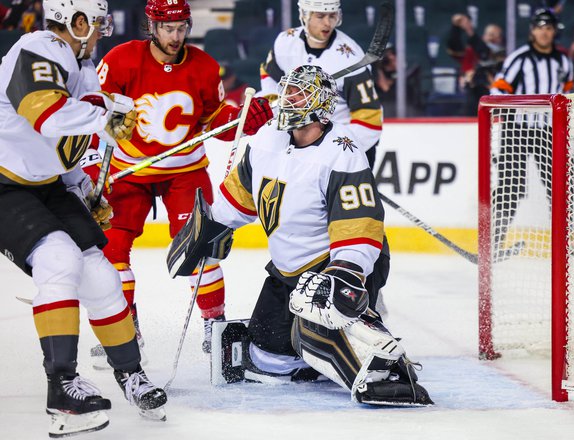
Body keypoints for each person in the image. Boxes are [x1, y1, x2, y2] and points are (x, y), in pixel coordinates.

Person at [168, 65, 433, 406]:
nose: (288, 100)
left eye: (299, 94)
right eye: (288, 92)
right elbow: (239, 201)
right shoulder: (266, 139)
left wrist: (345, 275)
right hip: (287, 271)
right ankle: (318, 355)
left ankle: (378, 361)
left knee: (316, 313)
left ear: (321, 107)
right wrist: (210, 227)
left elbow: (361, 227)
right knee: (266, 363)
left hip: (338, 265)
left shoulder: (343, 152)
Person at [0, 0, 167, 436]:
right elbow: (47, 114)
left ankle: (130, 374)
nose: (100, 32)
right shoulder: (35, 49)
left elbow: (66, 145)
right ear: (76, 22)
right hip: (3, 183)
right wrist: (105, 116)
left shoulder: (83, 64)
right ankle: (62, 391)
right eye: (96, 23)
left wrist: (83, 188)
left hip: (48, 185)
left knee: (100, 275)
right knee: (59, 262)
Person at [85, 0, 273, 364]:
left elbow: (214, 118)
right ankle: (126, 330)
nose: (176, 36)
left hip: (185, 170)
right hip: (129, 170)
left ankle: (214, 326)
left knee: (201, 247)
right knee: (112, 252)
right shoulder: (122, 59)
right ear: (152, 26)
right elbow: (97, 114)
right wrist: (95, 171)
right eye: (168, 29)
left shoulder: (203, 66)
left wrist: (242, 121)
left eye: (182, 28)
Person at [489, 8, 574, 258]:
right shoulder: (520, 58)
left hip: (549, 131)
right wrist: (518, 106)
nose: (544, 32)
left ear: (554, 31)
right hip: (517, 131)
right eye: (540, 27)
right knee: (510, 187)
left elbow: (567, 93)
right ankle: (495, 242)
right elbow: (498, 90)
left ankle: (564, 244)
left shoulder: (563, 61)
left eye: (549, 28)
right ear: (532, 30)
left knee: (559, 187)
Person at [259, 0, 383, 168]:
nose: (327, 23)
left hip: (342, 145)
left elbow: (370, 119)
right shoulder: (285, 42)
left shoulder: (350, 58)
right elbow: (270, 77)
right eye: (320, 16)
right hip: (298, 139)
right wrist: (274, 109)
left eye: (332, 16)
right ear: (304, 15)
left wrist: (338, 151)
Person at [446, 13, 505, 115]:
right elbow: (454, 48)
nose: (492, 39)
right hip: (469, 96)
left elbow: (485, 54)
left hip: (492, 99)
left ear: (500, 39)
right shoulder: (471, 52)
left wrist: (470, 31)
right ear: (484, 36)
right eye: (489, 35)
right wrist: (456, 28)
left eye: (495, 36)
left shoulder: (502, 55)